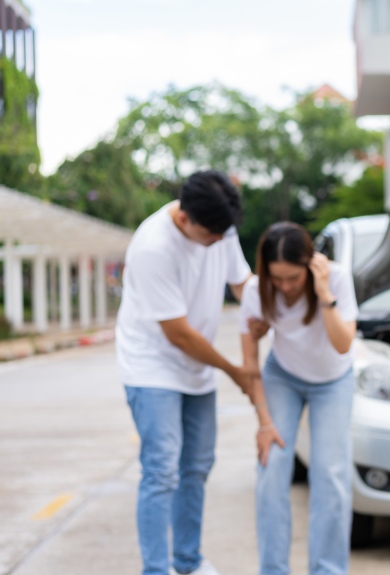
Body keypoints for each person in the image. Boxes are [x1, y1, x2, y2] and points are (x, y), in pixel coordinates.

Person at [116, 170, 254, 575]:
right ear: (183, 219)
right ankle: (157, 570)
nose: (216, 242)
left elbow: (243, 284)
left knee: (197, 465)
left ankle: (188, 561)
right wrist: (235, 371)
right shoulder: (152, 246)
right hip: (152, 365)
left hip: (198, 367)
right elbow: (177, 334)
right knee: (162, 470)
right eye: (209, 235)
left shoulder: (220, 228)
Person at [238, 222, 359, 575]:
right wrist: (263, 422)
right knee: (272, 468)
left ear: (309, 264)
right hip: (283, 377)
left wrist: (323, 293)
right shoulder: (255, 291)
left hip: (333, 381)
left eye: (293, 277)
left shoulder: (335, 278)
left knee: (330, 473)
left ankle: (328, 569)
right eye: (277, 278)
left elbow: (342, 343)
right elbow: (249, 367)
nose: (285, 287)